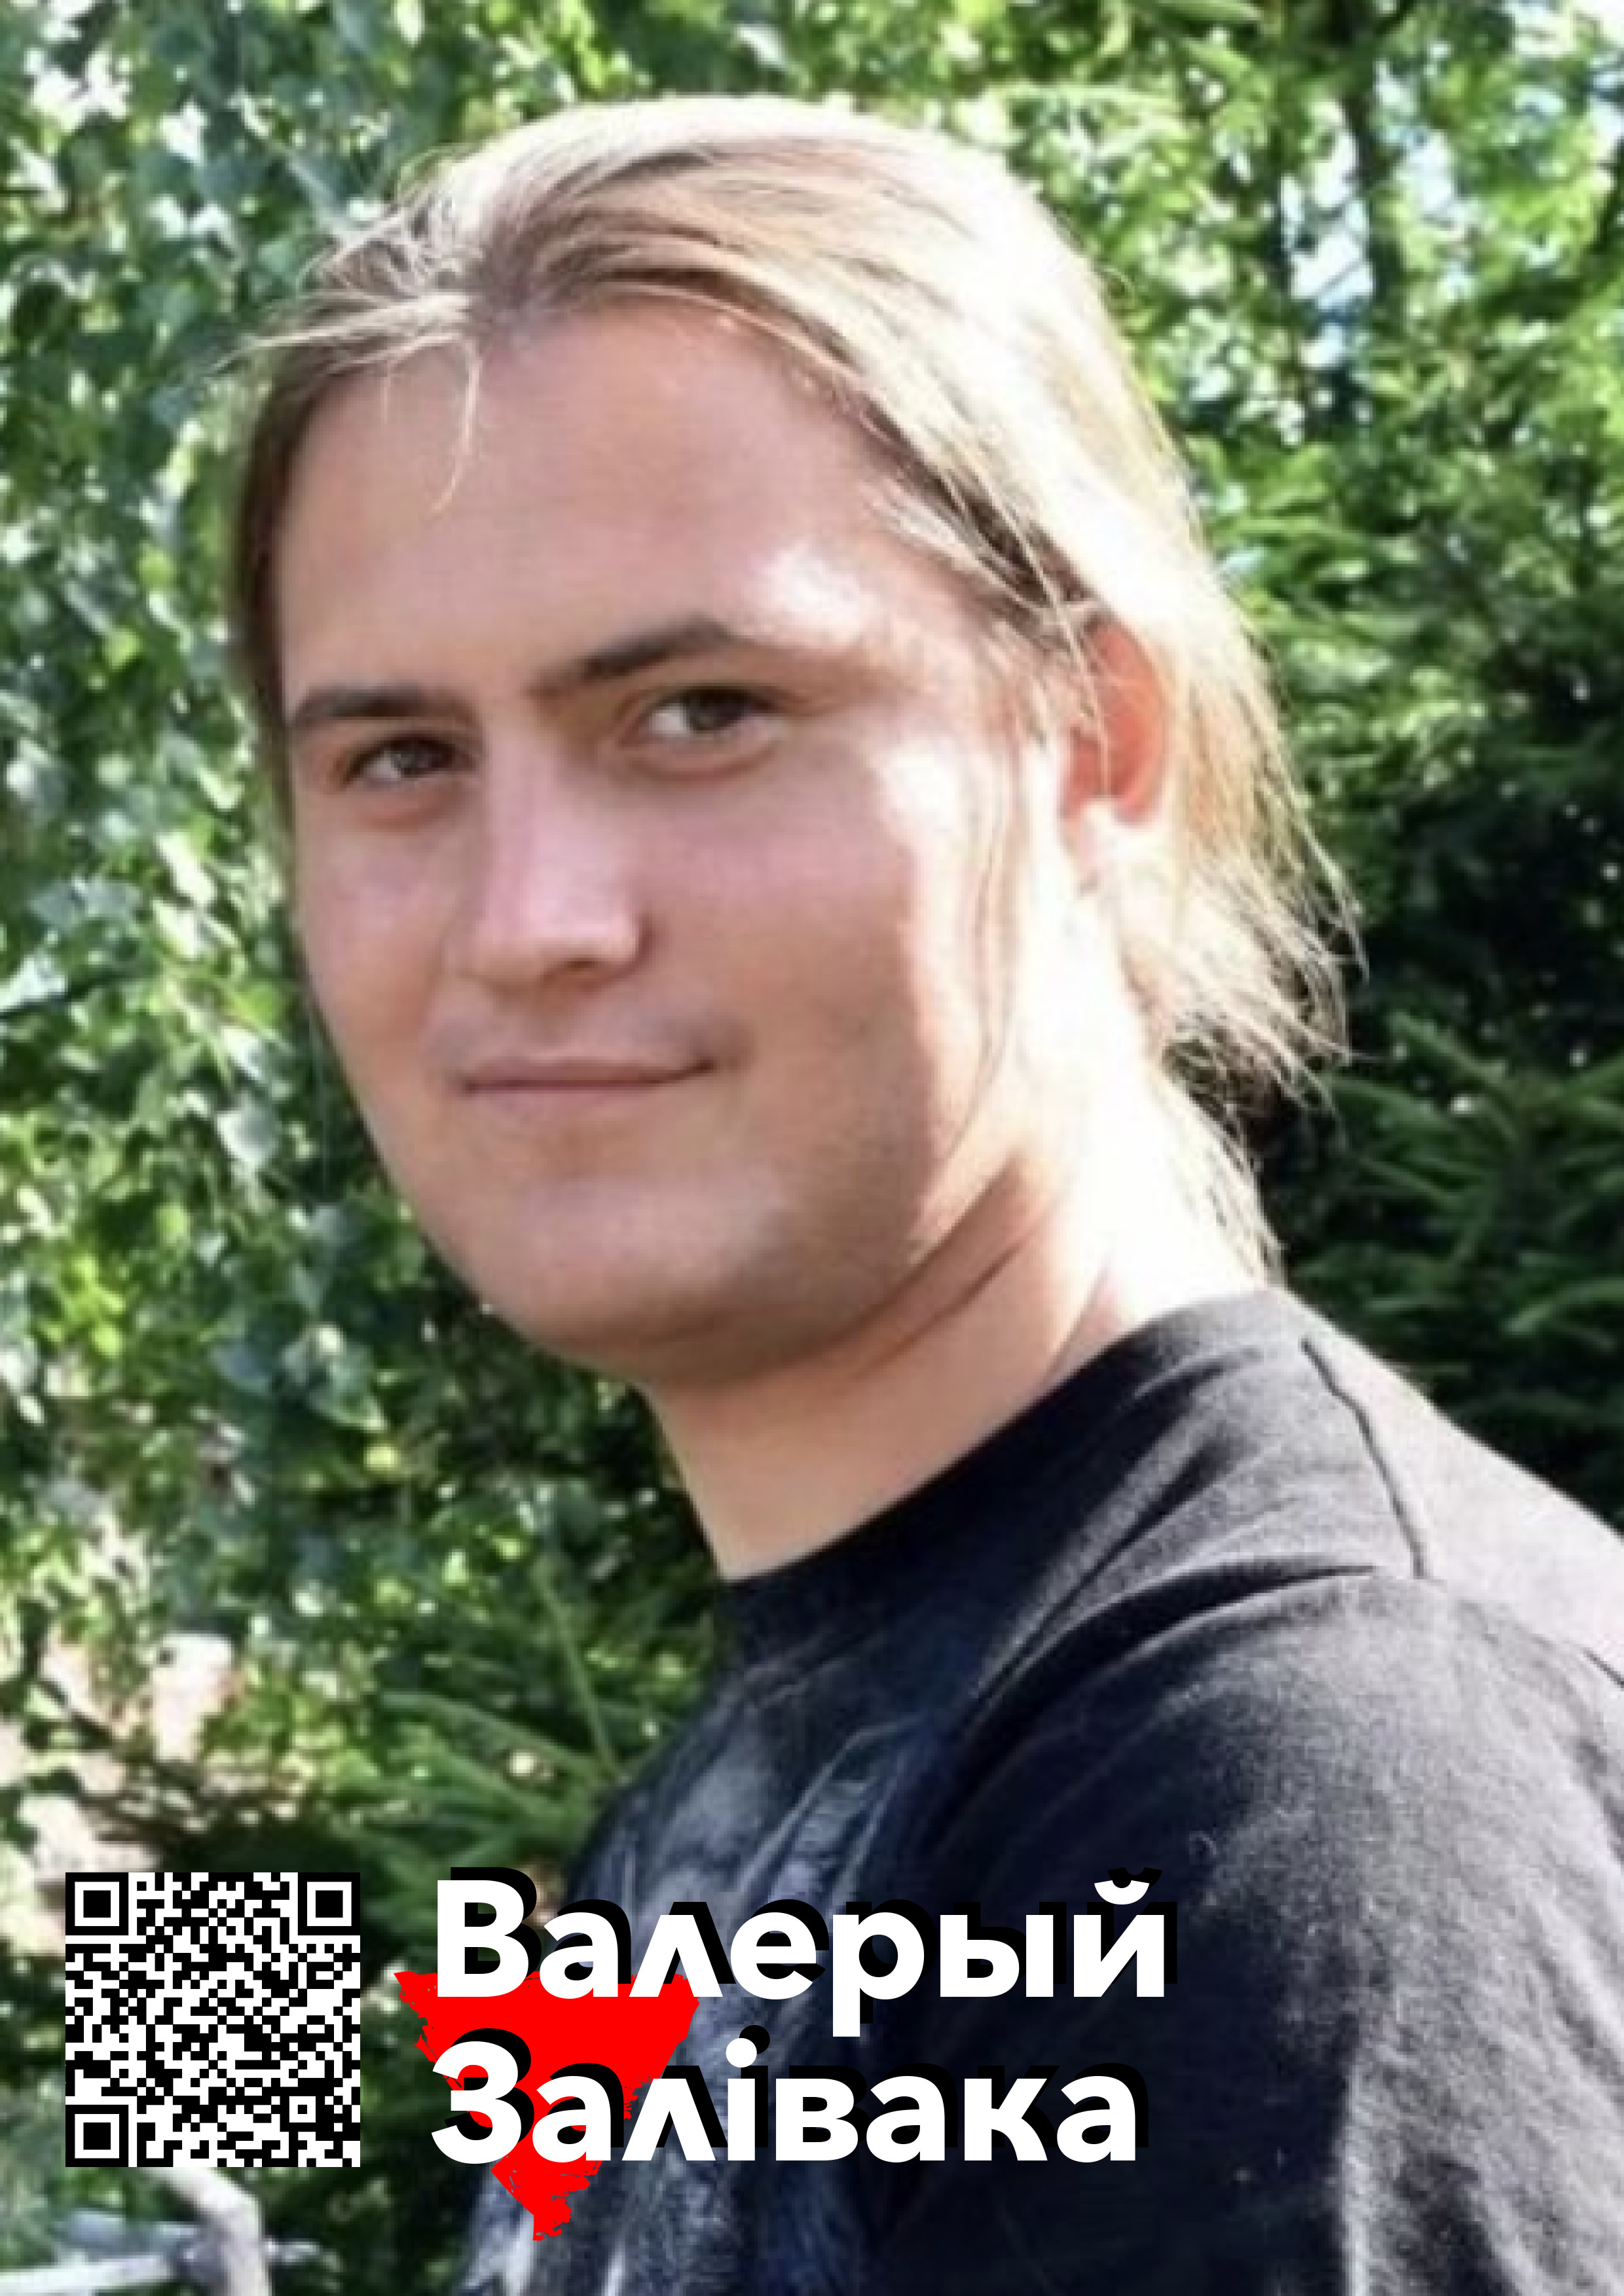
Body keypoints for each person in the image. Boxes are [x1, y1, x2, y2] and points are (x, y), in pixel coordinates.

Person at [227, 96, 1624, 2295]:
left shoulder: (1290, 1799)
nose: (531, 919)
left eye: (701, 711)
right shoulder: (836, 1739)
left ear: (1095, 747)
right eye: (402, 759)